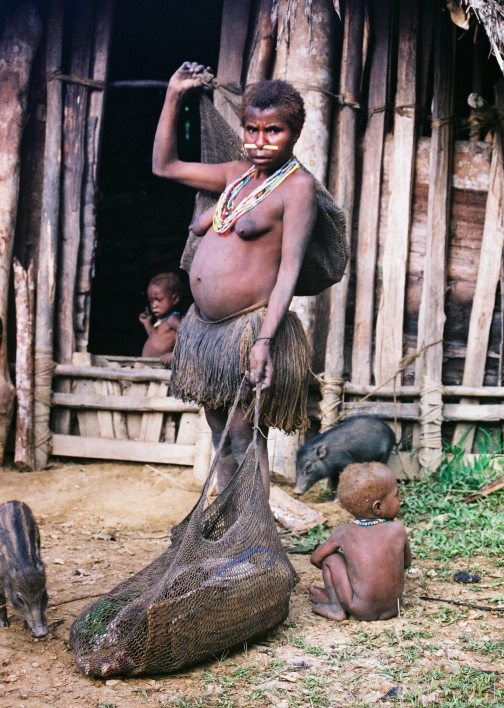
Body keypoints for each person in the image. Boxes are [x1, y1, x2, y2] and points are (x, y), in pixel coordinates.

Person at [152, 61, 317, 495]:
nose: (259, 142)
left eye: (272, 131)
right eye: (251, 130)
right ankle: (228, 539)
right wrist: (174, 94)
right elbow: (164, 166)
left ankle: (253, 546)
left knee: (245, 438)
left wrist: (265, 340)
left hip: (249, 330)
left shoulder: (297, 188)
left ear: (293, 133)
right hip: (207, 332)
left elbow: (289, 271)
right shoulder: (233, 175)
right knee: (219, 435)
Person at [307, 462, 411, 622]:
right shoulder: (398, 529)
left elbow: (316, 558)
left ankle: (336, 607)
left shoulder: (343, 532)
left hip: (362, 610)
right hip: (393, 608)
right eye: (396, 495)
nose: (400, 500)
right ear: (378, 507)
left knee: (331, 559)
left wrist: (350, 574)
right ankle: (335, 603)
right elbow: (405, 563)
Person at [139, 272, 182, 365]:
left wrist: (174, 354)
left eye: (158, 299)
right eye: (151, 300)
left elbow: (188, 337)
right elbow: (153, 337)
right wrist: (146, 323)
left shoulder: (172, 320)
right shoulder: (162, 321)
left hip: (159, 367)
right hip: (148, 366)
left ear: (175, 299)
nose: (154, 305)